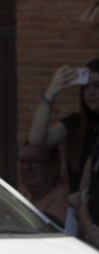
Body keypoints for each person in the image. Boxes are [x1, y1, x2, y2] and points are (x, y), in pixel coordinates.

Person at [28, 60, 99, 195]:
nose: (91, 93)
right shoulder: (76, 123)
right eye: (85, 87)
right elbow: (36, 139)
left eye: (97, 85)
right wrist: (50, 94)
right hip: (78, 211)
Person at [17, 142, 68, 226]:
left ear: (54, 164)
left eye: (35, 161)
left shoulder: (63, 199)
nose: (27, 168)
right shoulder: (23, 191)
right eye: (23, 161)